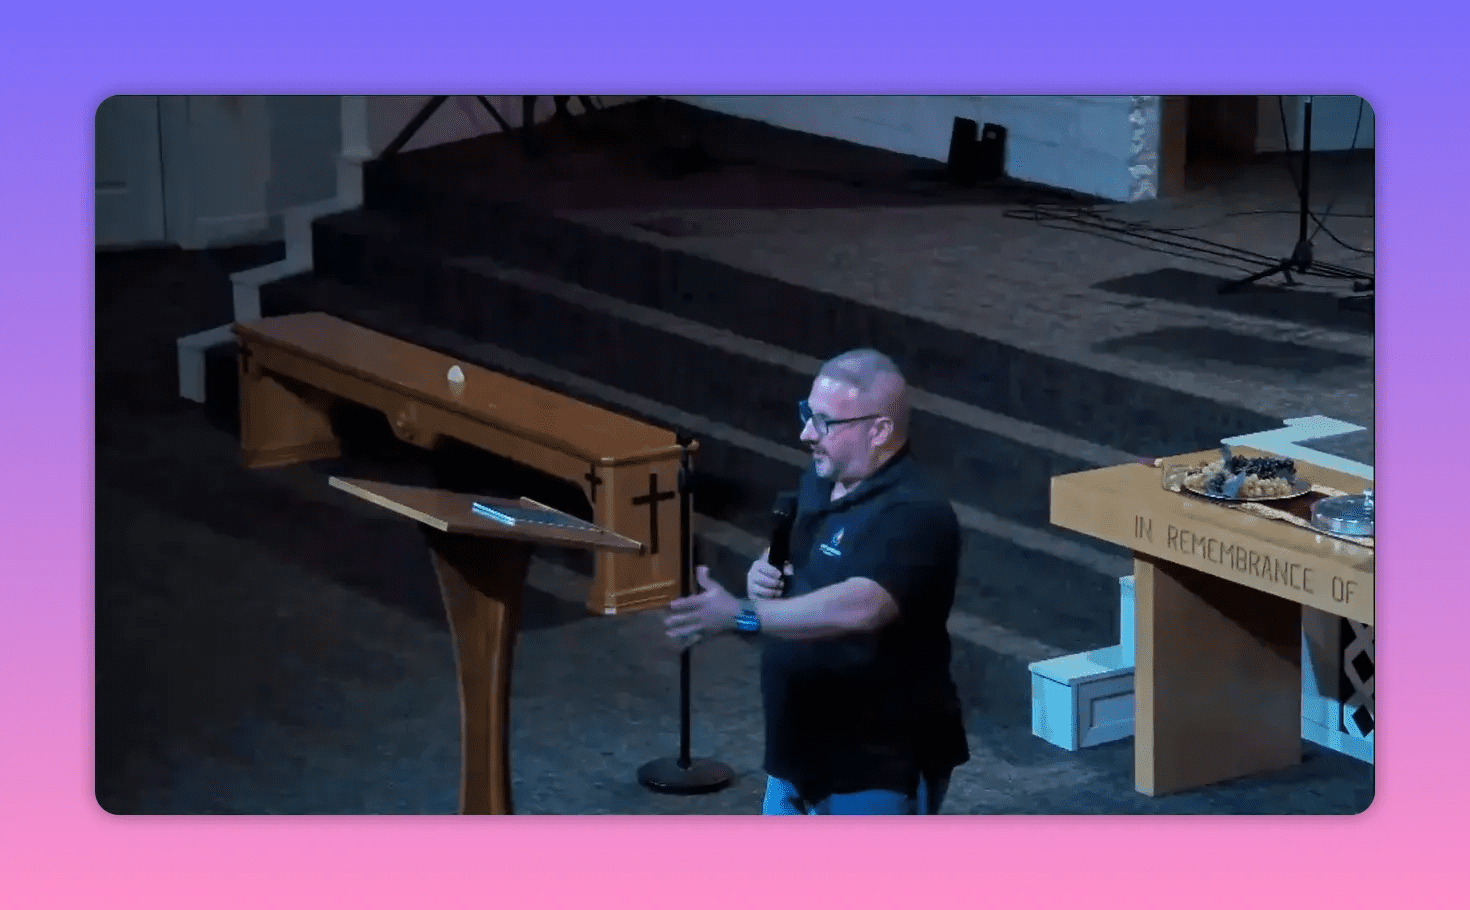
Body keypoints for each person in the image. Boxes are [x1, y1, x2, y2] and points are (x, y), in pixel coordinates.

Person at [665, 349, 969, 815]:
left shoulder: (915, 512)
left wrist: (745, 615)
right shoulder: (821, 482)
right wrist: (766, 568)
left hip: (874, 766)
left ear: (880, 430)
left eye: (825, 422)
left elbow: (863, 604)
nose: (806, 433)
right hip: (796, 753)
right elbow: (807, 558)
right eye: (807, 413)